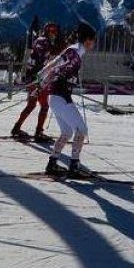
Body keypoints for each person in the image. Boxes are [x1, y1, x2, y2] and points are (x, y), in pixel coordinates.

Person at [39, 22, 97, 177]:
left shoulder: (79, 52)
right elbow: (57, 62)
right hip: (60, 96)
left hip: (57, 96)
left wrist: (44, 80)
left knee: (67, 132)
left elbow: (57, 69)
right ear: (87, 40)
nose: (94, 43)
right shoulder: (75, 50)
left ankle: (52, 163)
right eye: (93, 40)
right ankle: (74, 166)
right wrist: (42, 74)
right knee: (82, 130)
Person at [11, 22, 59, 142]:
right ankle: (38, 132)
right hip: (37, 78)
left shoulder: (42, 41)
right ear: (47, 31)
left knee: (32, 105)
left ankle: (17, 128)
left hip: (32, 77)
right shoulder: (43, 42)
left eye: (55, 32)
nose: (54, 34)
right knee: (44, 106)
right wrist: (41, 76)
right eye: (52, 31)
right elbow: (40, 59)